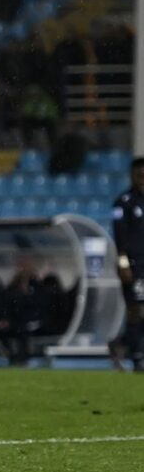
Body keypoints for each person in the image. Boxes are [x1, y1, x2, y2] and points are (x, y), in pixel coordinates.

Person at [108, 157, 144, 372]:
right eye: (139, 175)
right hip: (133, 265)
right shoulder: (123, 202)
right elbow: (119, 239)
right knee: (136, 310)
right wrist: (123, 264)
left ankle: (119, 343)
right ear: (132, 176)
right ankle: (137, 358)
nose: (142, 179)